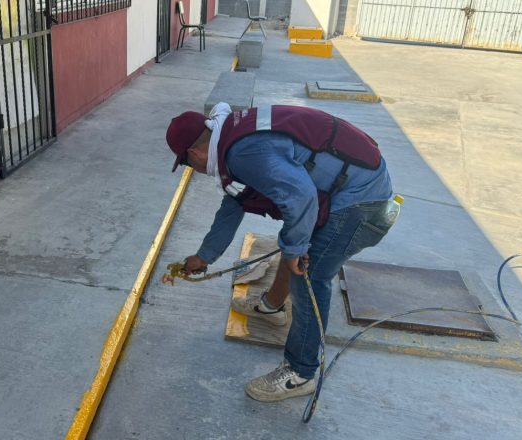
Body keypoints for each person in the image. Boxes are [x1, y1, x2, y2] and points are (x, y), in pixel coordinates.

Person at [165, 102, 394, 402]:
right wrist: (205, 255)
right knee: (294, 243)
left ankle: (300, 373)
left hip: (361, 203)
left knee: (308, 273)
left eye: (186, 164)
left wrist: (294, 249)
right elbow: (235, 201)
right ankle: (272, 307)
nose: (193, 170)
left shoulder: (242, 153)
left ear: (193, 155)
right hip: (357, 184)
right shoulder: (232, 134)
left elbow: (301, 197)